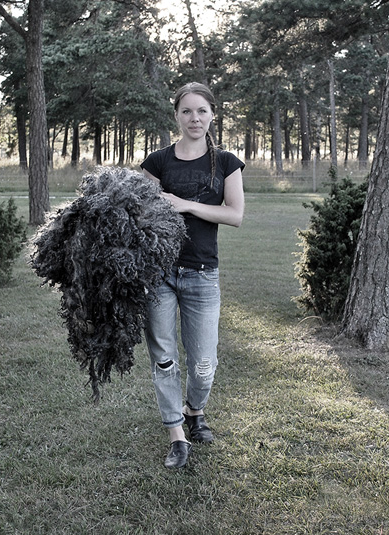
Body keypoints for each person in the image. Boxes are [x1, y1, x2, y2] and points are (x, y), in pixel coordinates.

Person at [140, 82, 245, 469]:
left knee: (203, 364)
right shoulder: (157, 162)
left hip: (202, 274)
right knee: (164, 357)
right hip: (159, 274)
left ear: (212, 115)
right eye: (187, 111)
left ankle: (195, 410)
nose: (194, 118)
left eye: (201, 111)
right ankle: (176, 434)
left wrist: (184, 204)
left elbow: (234, 215)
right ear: (177, 116)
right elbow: (142, 217)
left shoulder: (226, 162)